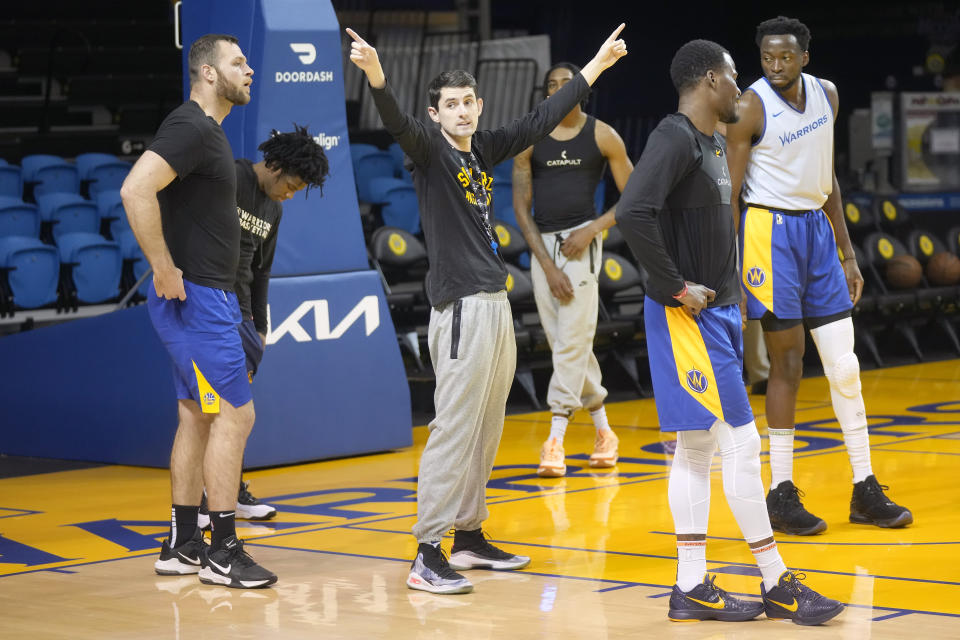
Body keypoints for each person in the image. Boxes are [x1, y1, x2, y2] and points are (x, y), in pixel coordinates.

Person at [346, 23, 628, 595]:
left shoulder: (485, 148)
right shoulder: (428, 152)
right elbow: (397, 122)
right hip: (459, 309)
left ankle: (468, 536)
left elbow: (541, 120)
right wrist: (376, 75)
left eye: (468, 102)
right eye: (450, 105)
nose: (462, 112)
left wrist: (595, 66)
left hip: (494, 302)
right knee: (454, 427)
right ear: (436, 114)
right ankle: (427, 551)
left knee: (487, 425)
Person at [617, 39, 843, 625]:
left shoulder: (712, 140)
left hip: (714, 315)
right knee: (739, 444)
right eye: (736, 77)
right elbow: (631, 212)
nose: (743, 89)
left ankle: (690, 586)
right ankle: (776, 581)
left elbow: (715, 231)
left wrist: (733, 298)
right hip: (684, 318)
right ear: (711, 81)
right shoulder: (673, 136)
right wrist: (674, 287)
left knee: (697, 449)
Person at [725, 15, 912, 535]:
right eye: (767, 57)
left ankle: (865, 488)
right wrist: (731, 273)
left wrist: (848, 252)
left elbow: (826, 175)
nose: (776, 64)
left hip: (817, 235)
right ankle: (780, 493)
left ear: (805, 57)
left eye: (785, 56)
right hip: (768, 233)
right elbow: (731, 196)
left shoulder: (826, 94)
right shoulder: (749, 106)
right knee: (787, 363)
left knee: (844, 366)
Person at [121, 34, 276, 589]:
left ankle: (183, 544)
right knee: (237, 416)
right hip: (200, 301)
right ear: (209, 73)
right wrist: (162, 267)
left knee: (196, 414)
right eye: (238, 62)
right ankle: (223, 550)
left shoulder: (205, 132)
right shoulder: (190, 127)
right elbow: (135, 189)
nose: (249, 69)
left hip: (201, 301)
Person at [196, 125, 330, 531]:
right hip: (208, 306)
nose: (291, 193)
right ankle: (206, 504)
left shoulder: (275, 209)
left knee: (236, 413)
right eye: (290, 184)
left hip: (242, 316)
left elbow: (262, 270)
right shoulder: (231, 178)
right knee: (211, 412)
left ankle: (228, 492)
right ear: (273, 165)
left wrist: (262, 328)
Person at [511, 62, 633, 478]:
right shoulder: (531, 138)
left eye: (568, 84)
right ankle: (605, 432)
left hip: (582, 244)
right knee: (569, 343)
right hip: (543, 250)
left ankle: (556, 438)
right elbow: (520, 210)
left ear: (582, 90)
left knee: (570, 343)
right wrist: (546, 265)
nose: (560, 90)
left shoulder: (602, 135)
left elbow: (633, 198)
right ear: (546, 95)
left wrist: (591, 231)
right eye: (552, 86)